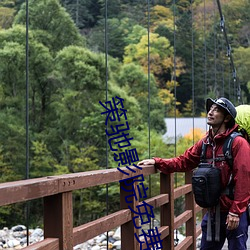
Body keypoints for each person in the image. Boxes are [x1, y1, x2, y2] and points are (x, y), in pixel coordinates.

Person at [138, 97, 250, 250]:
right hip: (213, 211)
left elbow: (244, 178)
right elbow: (184, 161)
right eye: (210, 109)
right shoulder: (205, 143)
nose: (210, 112)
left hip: (233, 211)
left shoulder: (238, 143)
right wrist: (157, 162)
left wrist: (236, 212)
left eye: (216, 110)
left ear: (227, 118)